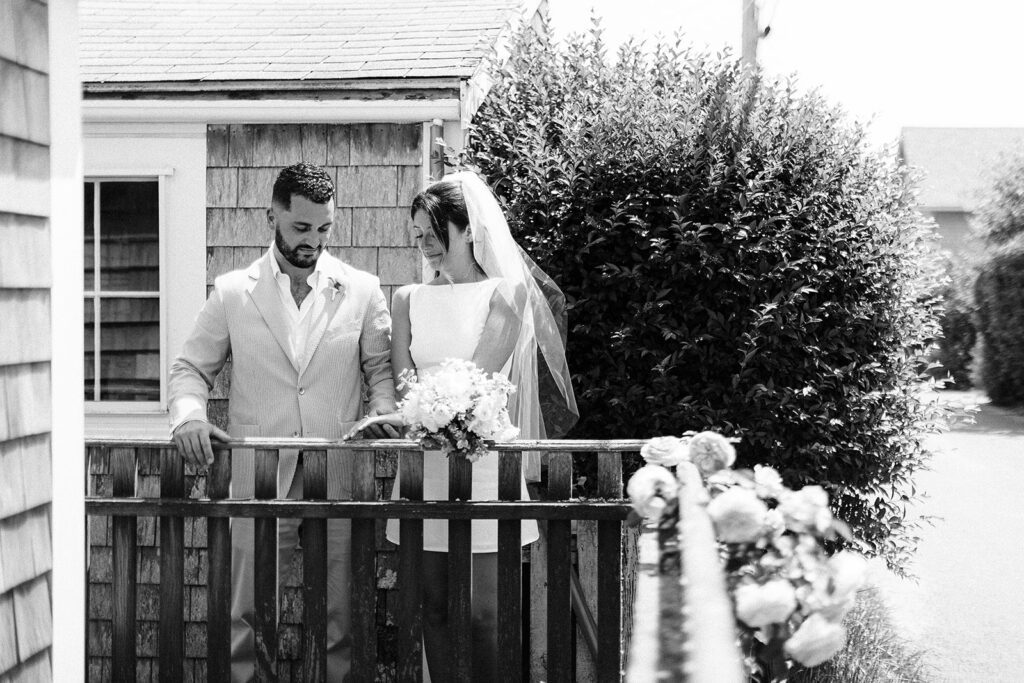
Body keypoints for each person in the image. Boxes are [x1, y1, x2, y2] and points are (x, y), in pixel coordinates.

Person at [168, 162, 398, 682]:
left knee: (343, 616)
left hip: (338, 477)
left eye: (324, 228)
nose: (313, 241)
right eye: (301, 227)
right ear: (271, 214)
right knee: (247, 617)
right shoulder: (231, 292)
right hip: (258, 476)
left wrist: (383, 408)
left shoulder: (361, 289)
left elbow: (379, 370)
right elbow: (190, 369)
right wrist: (188, 418)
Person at [348, 171, 578, 680]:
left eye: (433, 231)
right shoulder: (407, 297)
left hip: (483, 465)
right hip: (425, 468)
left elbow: (482, 374)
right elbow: (407, 382)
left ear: (468, 229)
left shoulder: (506, 293)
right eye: (417, 234)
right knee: (434, 607)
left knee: (484, 614)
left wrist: (430, 412)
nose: (424, 244)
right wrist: (395, 416)